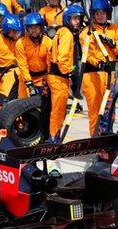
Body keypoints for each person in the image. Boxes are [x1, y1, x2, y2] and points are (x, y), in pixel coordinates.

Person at [79, 0, 118, 136]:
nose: (100, 16)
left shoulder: (115, 29)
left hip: (109, 75)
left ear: (108, 14)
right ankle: (95, 139)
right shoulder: (86, 33)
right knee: (95, 110)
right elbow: (87, 54)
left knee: (109, 109)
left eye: (102, 13)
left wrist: (112, 43)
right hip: (92, 76)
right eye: (97, 14)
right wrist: (99, 63)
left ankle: (107, 136)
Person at [47, 4, 84, 143]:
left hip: (59, 76)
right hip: (59, 76)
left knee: (60, 110)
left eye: (79, 19)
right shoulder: (67, 34)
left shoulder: (63, 32)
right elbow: (62, 58)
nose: (78, 22)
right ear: (67, 19)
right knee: (58, 110)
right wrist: (71, 73)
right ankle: (53, 138)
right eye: (75, 19)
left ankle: (55, 135)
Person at [15, 11, 52, 138]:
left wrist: (48, 81)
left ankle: (44, 134)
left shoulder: (48, 42)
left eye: (36, 27)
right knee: (22, 107)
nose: (34, 31)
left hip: (43, 78)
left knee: (45, 108)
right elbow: (22, 64)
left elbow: (50, 64)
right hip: (27, 79)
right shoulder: (21, 43)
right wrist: (29, 83)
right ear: (26, 29)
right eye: (30, 28)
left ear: (41, 27)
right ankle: (23, 133)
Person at [0, 12, 24, 107]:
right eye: (14, 32)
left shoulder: (20, 39)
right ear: (7, 30)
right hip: (2, 73)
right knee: (2, 99)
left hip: (16, 71)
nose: (17, 34)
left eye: (18, 32)